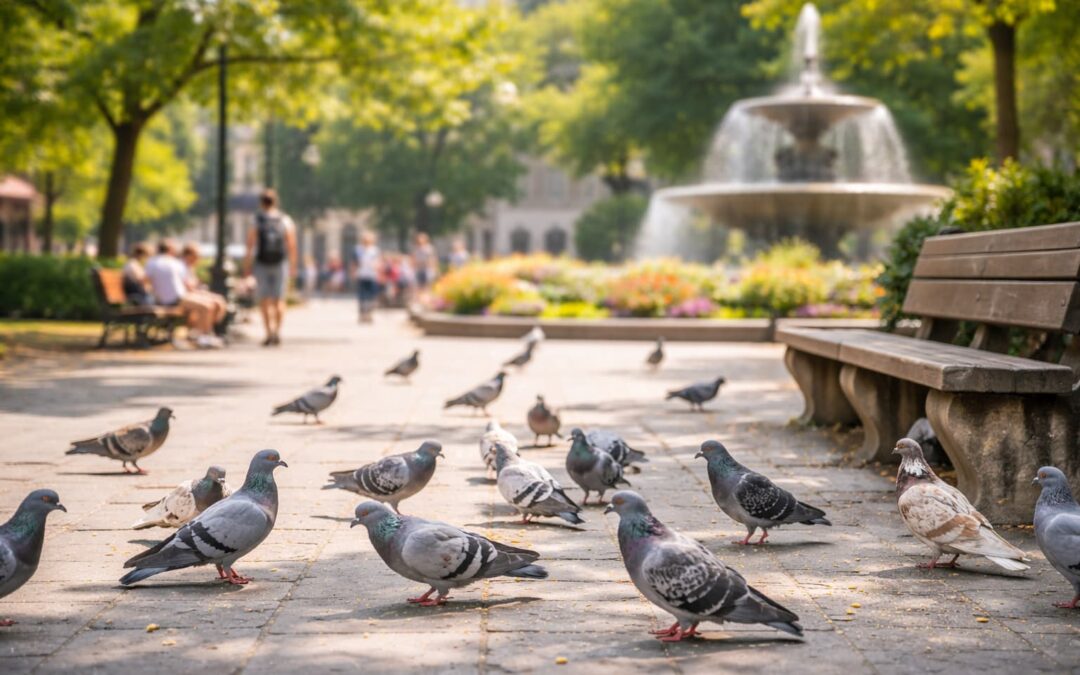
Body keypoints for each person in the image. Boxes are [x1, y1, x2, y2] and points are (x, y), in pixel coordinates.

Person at [145, 240, 223, 349]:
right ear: (170, 250)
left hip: (168, 298)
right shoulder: (174, 263)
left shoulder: (152, 262)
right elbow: (186, 283)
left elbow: (146, 281)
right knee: (206, 306)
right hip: (177, 298)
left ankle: (201, 334)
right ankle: (202, 337)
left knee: (207, 305)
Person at [244, 188, 297, 346]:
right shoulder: (284, 219)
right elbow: (292, 244)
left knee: (264, 300)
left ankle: (268, 333)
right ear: (276, 202)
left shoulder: (257, 219)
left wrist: (246, 265)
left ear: (261, 202)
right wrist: (293, 265)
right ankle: (277, 332)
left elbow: (250, 243)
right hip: (280, 262)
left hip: (262, 263)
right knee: (279, 300)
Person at [180, 243, 228, 332]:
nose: (199, 258)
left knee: (219, 301)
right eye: (196, 255)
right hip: (186, 296)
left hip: (193, 294)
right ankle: (202, 332)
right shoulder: (181, 267)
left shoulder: (191, 268)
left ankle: (207, 329)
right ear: (188, 255)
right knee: (208, 305)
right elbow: (188, 287)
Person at [353, 231, 381, 323]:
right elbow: (354, 262)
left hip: (372, 275)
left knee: (371, 295)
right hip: (362, 274)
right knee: (362, 295)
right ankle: (362, 313)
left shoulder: (375, 250)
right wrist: (353, 272)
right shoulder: (358, 249)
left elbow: (378, 262)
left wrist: (379, 271)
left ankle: (369, 313)